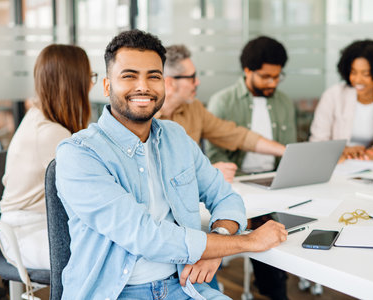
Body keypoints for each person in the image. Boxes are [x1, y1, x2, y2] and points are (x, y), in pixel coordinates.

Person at [55, 29, 288, 299]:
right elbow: (145, 236)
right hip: (117, 292)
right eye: (129, 76)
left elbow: (224, 196)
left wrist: (220, 242)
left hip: (186, 285)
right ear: (107, 86)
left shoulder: (176, 137)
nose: (143, 86)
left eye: (153, 76)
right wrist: (245, 242)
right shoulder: (79, 153)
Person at [207, 36, 296, 300]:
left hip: (277, 183)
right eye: (266, 77)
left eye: (277, 77)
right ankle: (275, 289)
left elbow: (288, 150)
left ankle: (274, 280)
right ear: (248, 71)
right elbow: (215, 158)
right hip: (241, 185)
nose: (273, 83)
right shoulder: (222, 101)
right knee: (264, 224)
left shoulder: (283, 102)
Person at [0, 44, 93, 269]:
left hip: (38, 225)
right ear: (73, 83)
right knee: (99, 255)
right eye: (89, 76)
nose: (91, 84)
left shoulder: (40, 118)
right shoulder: (50, 133)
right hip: (25, 234)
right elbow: (85, 189)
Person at [155, 44, 286, 183]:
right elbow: (154, 173)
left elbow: (234, 134)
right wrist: (207, 172)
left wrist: (284, 151)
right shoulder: (143, 117)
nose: (198, 82)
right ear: (169, 83)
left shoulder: (194, 108)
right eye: (192, 77)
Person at [309, 39, 373, 161]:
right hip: (334, 164)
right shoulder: (333, 95)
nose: (357, 80)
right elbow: (318, 141)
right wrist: (345, 151)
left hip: (370, 166)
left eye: (366, 74)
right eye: (353, 72)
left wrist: (365, 155)